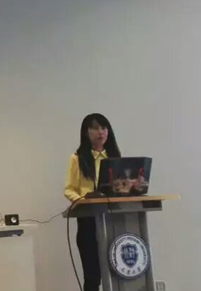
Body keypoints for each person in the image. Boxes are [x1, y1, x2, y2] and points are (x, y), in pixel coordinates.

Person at [64, 113, 121, 291]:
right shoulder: (77, 158)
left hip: (111, 219)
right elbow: (69, 189)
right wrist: (81, 200)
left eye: (104, 128)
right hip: (88, 219)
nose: (100, 132)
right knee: (92, 276)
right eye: (95, 128)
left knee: (116, 270)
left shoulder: (114, 157)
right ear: (86, 132)